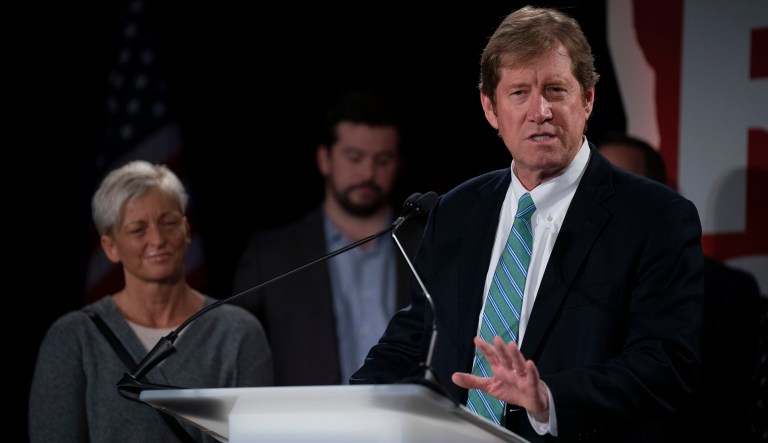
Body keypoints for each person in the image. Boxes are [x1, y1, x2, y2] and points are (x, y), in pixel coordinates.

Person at [350, 6, 705, 443]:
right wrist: (347, 405)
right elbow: (419, 335)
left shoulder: (655, 218)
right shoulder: (457, 211)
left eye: (556, 89)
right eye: (519, 92)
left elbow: (666, 362)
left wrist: (549, 398)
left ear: (588, 99)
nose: (540, 111)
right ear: (490, 108)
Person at [29, 160, 274, 443]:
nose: (157, 240)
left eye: (168, 223)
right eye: (138, 230)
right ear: (110, 247)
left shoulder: (238, 331)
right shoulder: (74, 338)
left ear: (186, 230)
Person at [231, 90, 426, 385]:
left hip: (410, 425)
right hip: (304, 427)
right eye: (354, 157)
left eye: (382, 160)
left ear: (397, 163)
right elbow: (237, 354)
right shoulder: (271, 255)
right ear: (325, 159)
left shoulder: (429, 244)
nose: (368, 173)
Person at [597, 131, 764, 443]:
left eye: (623, 184)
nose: (607, 200)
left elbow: (724, 407)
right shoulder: (561, 282)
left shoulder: (726, 290)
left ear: (658, 196)